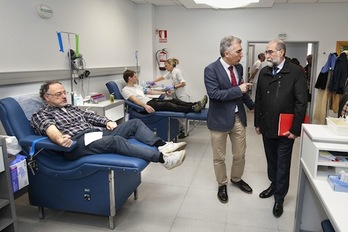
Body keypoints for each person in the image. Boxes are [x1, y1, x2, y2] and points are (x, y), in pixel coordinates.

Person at [31, 80, 187, 170]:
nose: (64, 96)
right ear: (47, 97)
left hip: (94, 135)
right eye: (59, 94)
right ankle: (163, 159)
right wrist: (59, 139)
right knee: (116, 141)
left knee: (134, 123)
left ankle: (162, 145)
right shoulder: (42, 114)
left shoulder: (71, 107)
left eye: (64, 92)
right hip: (76, 144)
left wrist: (107, 122)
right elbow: (49, 128)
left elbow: (89, 115)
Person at [254, 39, 307, 218]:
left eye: (270, 52)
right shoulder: (264, 72)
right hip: (267, 125)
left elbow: (302, 101)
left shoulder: (295, 72)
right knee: (271, 160)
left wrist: (295, 128)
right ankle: (273, 184)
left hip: (285, 128)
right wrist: (257, 122)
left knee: (283, 163)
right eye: (267, 52)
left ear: (281, 52)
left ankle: (279, 198)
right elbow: (259, 98)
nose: (267, 55)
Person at [204, 35, 254, 204]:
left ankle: (236, 178)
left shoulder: (238, 68)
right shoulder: (211, 69)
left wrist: (254, 106)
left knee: (240, 154)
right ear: (227, 52)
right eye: (239, 51)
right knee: (219, 157)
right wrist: (238, 89)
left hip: (238, 117)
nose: (242, 54)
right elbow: (215, 94)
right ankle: (222, 184)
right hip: (218, 120)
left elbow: (242, 92)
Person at [122, 69, 207, 114]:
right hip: (147, 105)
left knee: (173, 100)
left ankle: (197, 104)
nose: (137, 78)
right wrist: (145, 106)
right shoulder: (126, 90)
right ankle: (193, 108)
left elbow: (150, 92)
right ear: (129, 78)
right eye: (135, 77)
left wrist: (165, 93)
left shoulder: (137, 86)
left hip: (151, 101)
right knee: (168, 105)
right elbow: (135, 100)